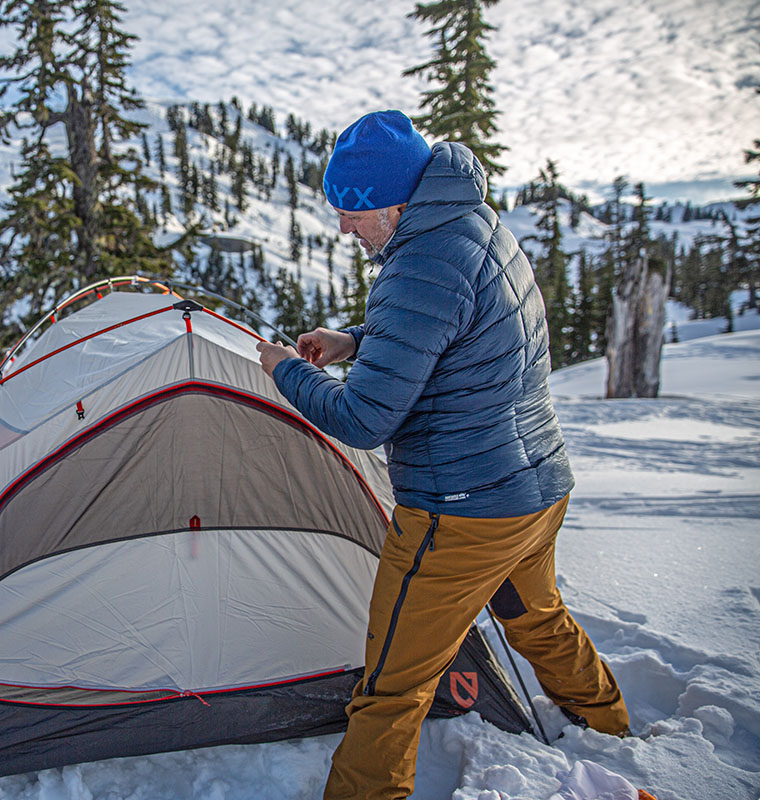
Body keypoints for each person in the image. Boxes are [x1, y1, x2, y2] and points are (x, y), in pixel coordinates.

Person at [255, 110, 630, 800]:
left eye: (353, 212)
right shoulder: (472, 226)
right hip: (535, 490)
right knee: (538, 619)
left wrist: (286, 371)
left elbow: (363, 418)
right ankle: (609, 728)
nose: (344, 227)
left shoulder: (416, 268)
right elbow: (456, 326)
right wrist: (356, 340)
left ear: (395, 202)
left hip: (460, 514)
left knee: (395, 681)